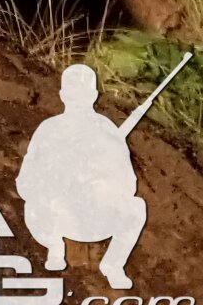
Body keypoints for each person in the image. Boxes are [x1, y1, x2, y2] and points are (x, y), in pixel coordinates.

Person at [19, 63, 149, 289]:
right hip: (73, 216)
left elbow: (26, 181)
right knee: (135, 207)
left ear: (62, 95)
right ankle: (70, 252)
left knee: (33, 203)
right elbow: (129, 185)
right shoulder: (95, 129)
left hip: (77, 218)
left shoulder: (53, 128)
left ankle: (65, 250)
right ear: (94, 95)